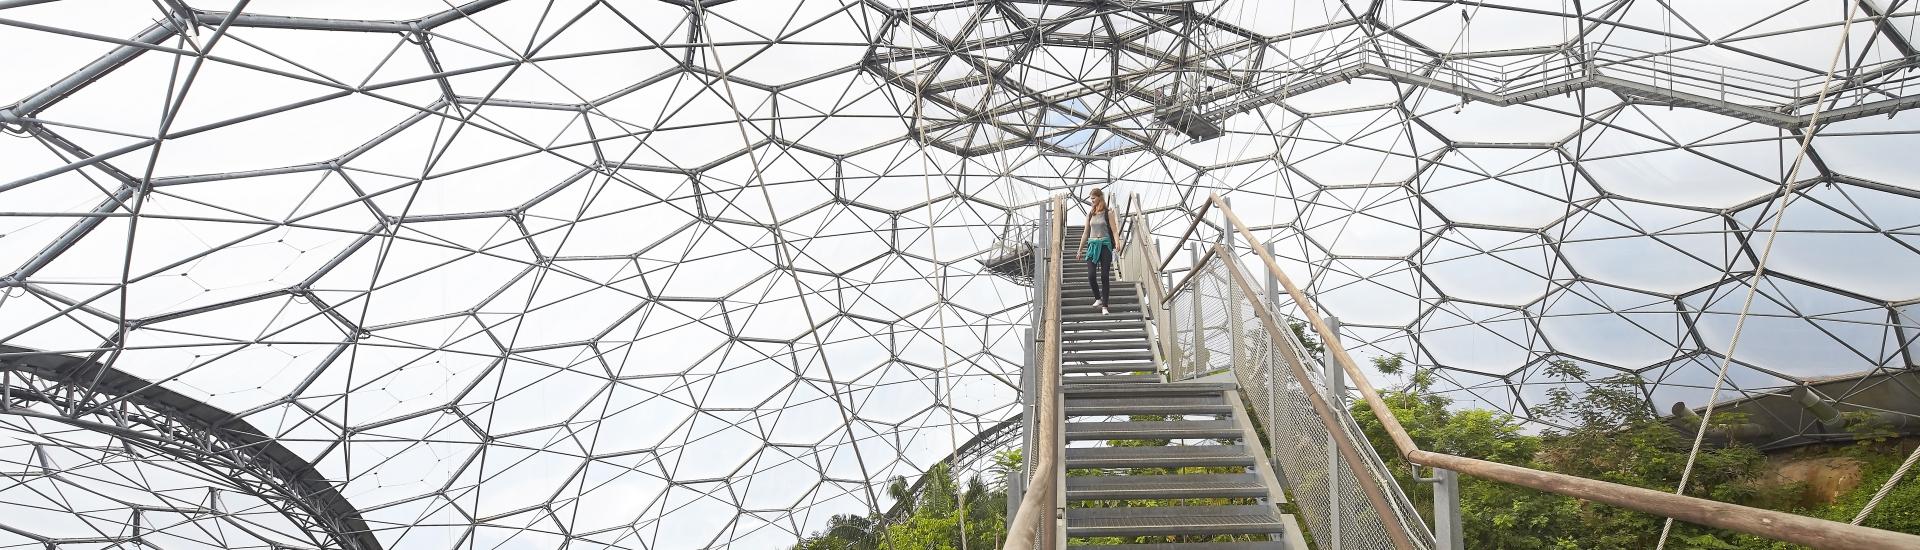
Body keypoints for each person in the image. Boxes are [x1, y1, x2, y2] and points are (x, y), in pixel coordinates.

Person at [1080, 189, 1119, 314]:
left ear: (1099, 197)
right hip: (1092, 246)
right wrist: (1080, 250)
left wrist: (1118, 242)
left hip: (1105, 246)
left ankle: (1105, 306)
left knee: (1104, 276)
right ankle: (1098, 298)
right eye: (1091, 199)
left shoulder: (1108, 213)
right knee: (1091, 275)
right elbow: (1086, 232)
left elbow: (1114, 230)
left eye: (1093, 198)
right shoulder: (1090, 214)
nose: (1092, 201)